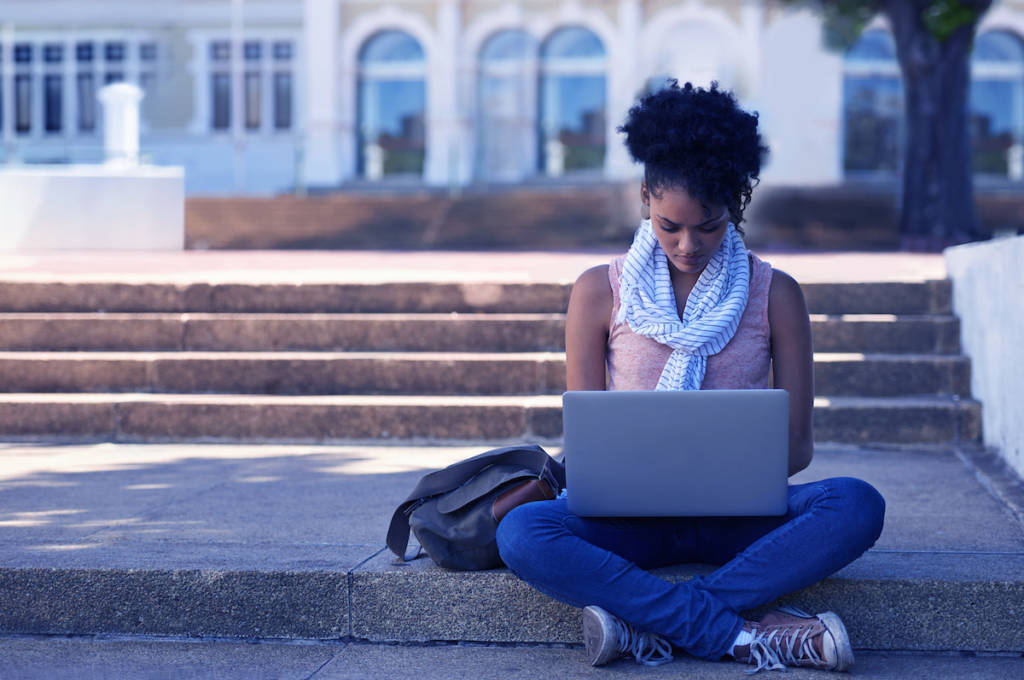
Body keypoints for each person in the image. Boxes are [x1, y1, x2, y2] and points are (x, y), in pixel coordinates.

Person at [495, 81, 886, 674]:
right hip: (629, 522)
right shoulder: (598, 291)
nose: (687, 245)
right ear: (645, 196)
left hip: (742, 520)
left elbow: (798, 449)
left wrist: (725, 469)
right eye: (669, 224)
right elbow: (588, 446)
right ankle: (746, 635)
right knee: (524, 532)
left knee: (856, 503)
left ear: (735, 206)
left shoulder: (775, 294)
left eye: (708, 226)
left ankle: (647, 624)